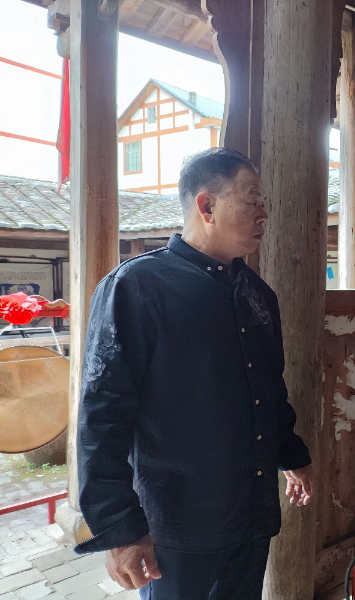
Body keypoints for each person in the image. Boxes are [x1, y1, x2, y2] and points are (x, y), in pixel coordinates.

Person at [75, 147, 314, 600]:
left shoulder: (257, 294)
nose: (264, 213)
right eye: (252, 199)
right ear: (207, 205)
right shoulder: (136, 287)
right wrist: (120, 529)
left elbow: (269, 388)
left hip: (252, 512)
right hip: (177, 526)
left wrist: (293, 456)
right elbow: (102, 415)